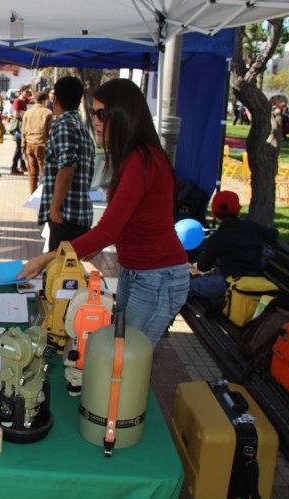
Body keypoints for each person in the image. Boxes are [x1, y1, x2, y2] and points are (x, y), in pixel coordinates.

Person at [19, 78, 189, 347]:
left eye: (101, 114)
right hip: (138, 271)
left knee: (128, 355)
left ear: (122, 115)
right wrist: (94, 246)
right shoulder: (134, 157)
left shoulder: (141, 160)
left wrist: (47, 258)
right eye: (94, 113)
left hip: (157, 276)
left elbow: (109, 228)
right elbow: (127, 221)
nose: (95, 121)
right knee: (121, 350)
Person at [39, 76, 96, 251]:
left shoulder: (64, 125)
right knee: (69, 272)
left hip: (66, 215)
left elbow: (67, 168)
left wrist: (54, 208)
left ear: (54, 99)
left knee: (60, 272)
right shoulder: (80, 126)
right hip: (77, 214)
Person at [189, 191, 279, 299]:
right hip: (256, 278)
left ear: (213, 214)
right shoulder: (252, 226)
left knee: (187, 287)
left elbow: (203, 267)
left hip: (230, 283)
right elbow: (274, 233)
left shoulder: (218, 236)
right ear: (238, 210)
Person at [21, 91, 53, 194]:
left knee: (32, 174)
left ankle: (33, 196)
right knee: (44, 174)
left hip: (29, 145)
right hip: (42, 145)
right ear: (45, 100)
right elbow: (50, 132)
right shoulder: (48, 112)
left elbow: (23, 131)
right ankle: (44, 196)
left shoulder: (27, 112)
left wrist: (23, 147)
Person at [9, 85, 30, 175]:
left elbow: (34, 97)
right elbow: (15, 115)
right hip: (17, 128)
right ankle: (14, 167)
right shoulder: (17, 101)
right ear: (21, 92)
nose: (27, 94)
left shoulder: (24, 100)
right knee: (19, 147)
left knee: (22, 147)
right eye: (26, 92)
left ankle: (23, 166)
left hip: (22, 127)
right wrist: (26, 114)